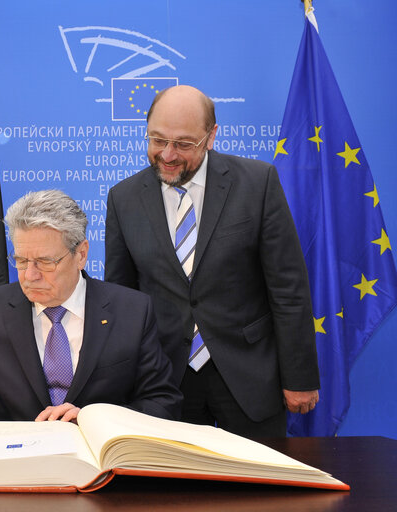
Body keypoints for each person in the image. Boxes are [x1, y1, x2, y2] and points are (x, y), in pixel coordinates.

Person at [104, 85, 319, 437]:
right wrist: (117, 383)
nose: (168, 155)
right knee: (176, 492)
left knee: (261, 488)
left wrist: (300, 377)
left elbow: (288, 289)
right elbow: (120, 300)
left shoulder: (257, 183)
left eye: (184, 144)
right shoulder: (123, 198)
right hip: (164, 382)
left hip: (250, 376)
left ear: (211, 136)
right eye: (157, 140)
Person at [0, 189, 182, 426]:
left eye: (46, 262)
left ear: (81, 254)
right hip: (15, 472)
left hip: (104, 473)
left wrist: (92, 419)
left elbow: (163, 403)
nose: (30, 275)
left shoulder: (131, 311)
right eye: (22, 260)